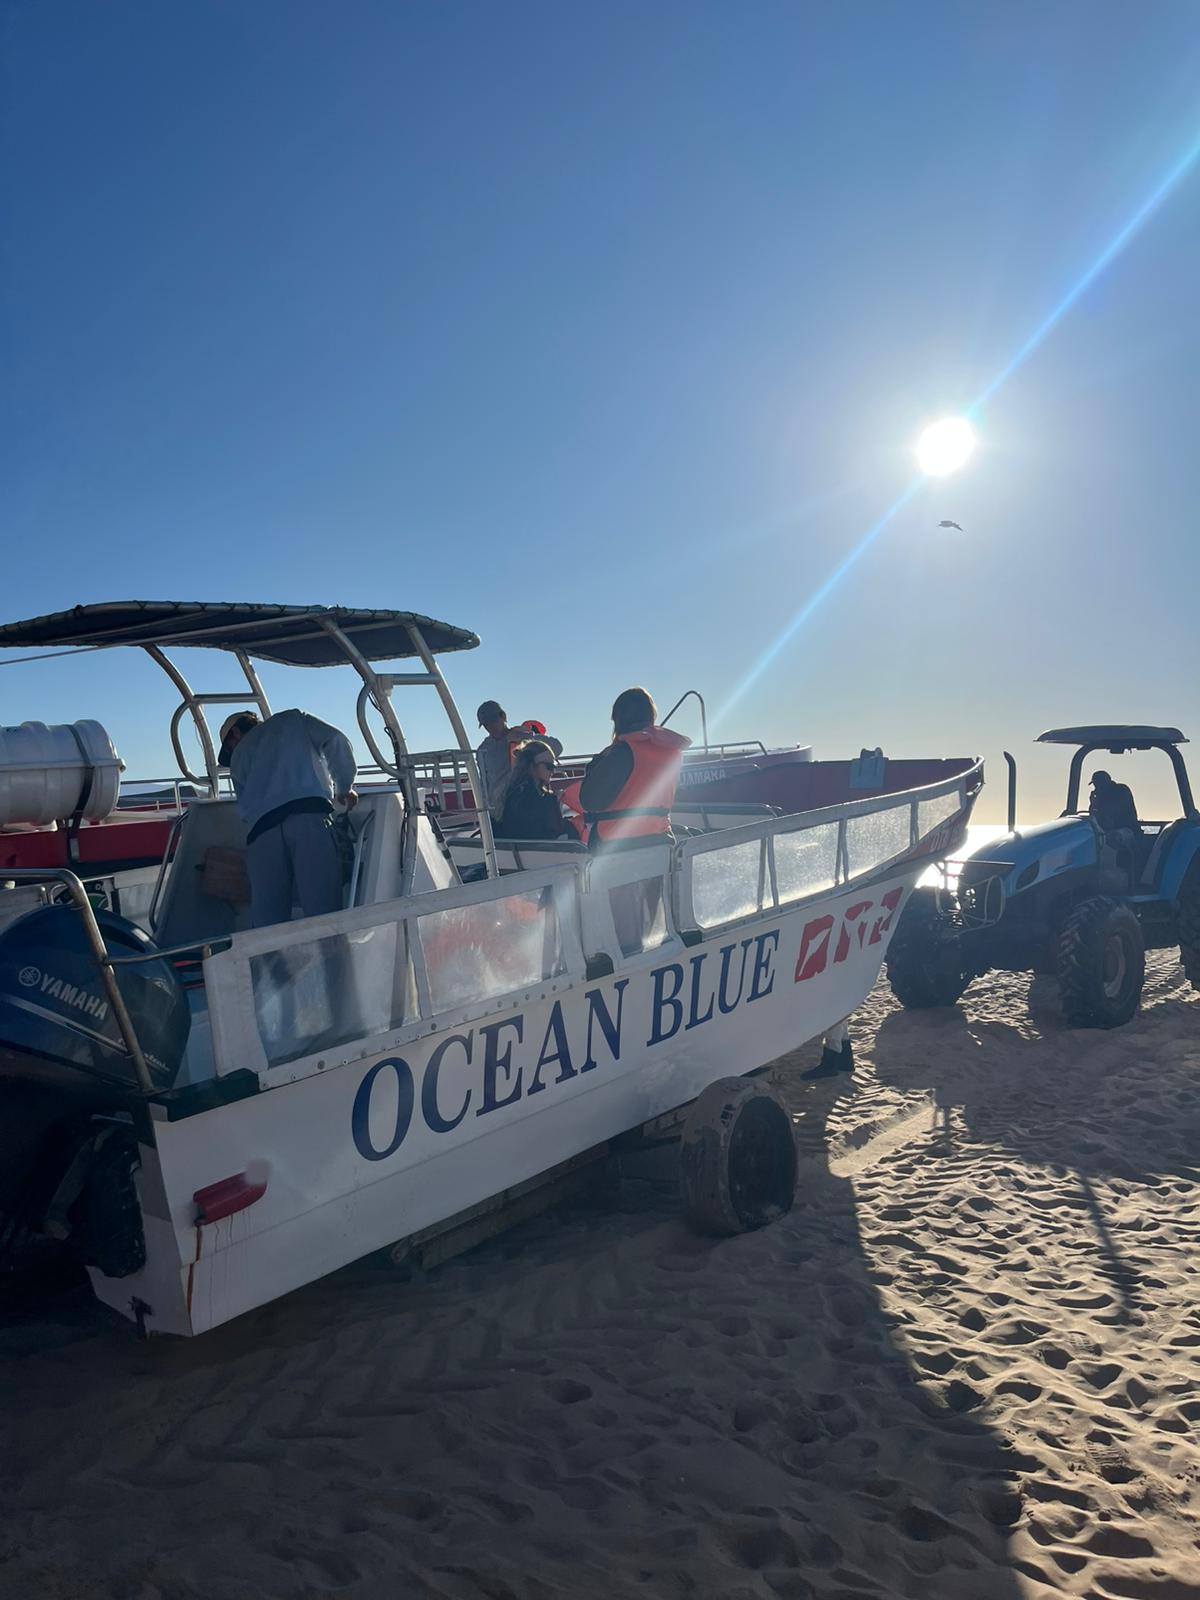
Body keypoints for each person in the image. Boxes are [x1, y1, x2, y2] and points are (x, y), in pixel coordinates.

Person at [218, 709, 358, 928]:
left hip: (261, 835)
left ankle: (271, 962)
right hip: (308, 818)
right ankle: (334, 960)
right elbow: (335, 740)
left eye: (228, 746)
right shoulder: (293, 719)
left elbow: (245, 810)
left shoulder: (237, 757)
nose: (231, 750)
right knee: (324, 914)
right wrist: (344, 788)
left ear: (235, 733)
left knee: (268, 923)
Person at [578, 687, 691, 848]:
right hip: (661, 843)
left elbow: (590, 801)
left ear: (619, 720)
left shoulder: (621, 753)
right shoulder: (673, 752)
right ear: (651, 716)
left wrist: (597, 762)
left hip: (616, 848)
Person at [491, 740, 576, 841]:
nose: (553, 771)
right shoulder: (544, 800)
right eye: (549, 766)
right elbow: (549, 832)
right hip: (540, 852)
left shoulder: (507, 793)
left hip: (511, 852)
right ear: (532, 766)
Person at [1089, 769, 1139, 836]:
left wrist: (1098, 801)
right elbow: (1093, 816)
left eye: (1097, 785)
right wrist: (1093, 804)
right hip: (1105, 831)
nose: (1095, 788)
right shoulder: (1100, 797)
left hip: (1127, 829)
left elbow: (1112, 815)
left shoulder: (1121, 790)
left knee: (1114, 836)